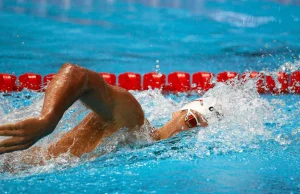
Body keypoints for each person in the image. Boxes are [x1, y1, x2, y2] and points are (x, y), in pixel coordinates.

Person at [0, 63, 221, 158]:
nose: (189, 130)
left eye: (200, 128)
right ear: (177, 113)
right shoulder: (133, 120)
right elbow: (77, 74)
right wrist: (47, 119)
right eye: (191, 119)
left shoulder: (146, 151)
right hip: (14, 161)